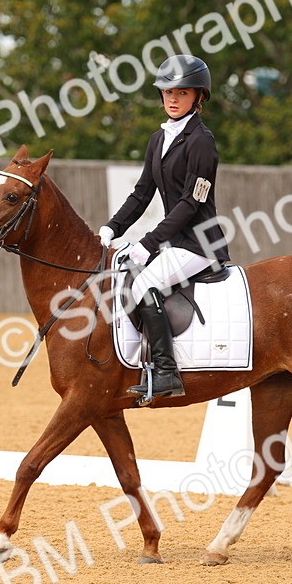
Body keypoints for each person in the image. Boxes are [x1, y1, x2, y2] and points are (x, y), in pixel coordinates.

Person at [97, 54, 231, 403]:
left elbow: (191, 203)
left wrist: (149, 243)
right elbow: (142, 193)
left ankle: (166, 371)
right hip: (176, 242)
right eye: (167, 92)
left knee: (143, 283)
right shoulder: (158, 139)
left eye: (182, 93)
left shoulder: (202, 141)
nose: (172, 99)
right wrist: (112, 227)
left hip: (200, 243)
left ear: (198, 97)